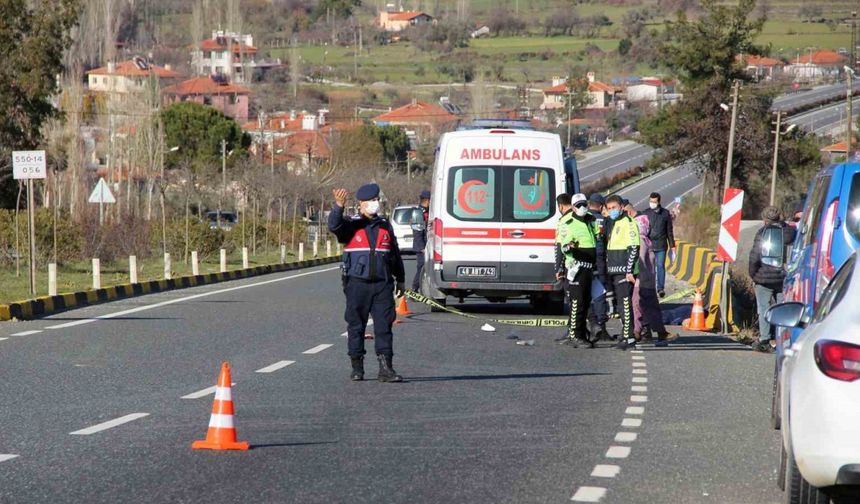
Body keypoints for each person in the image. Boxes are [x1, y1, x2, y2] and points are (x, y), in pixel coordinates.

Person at [328, 183, 406, 382]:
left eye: (377, 200)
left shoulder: (385, 225)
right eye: (371, 201)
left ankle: (386, 368)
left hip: (383, 285)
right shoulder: (352, 225)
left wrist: (401, 280)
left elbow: (394, 254)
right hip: (357, 284)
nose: (375, 203)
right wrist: (338, 206)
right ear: (361, 204)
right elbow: (334, 226)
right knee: (356, 326)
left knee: (384, 327)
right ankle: (357, 366)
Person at [749, 206, 796, 353]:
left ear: (765, 220)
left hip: (764, 278)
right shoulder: (790, 232)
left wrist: (754, 274)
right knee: (782, 309)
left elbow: (755, 257)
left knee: (764, 308)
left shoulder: (763, 233)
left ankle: (764, 339)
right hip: (784, 277)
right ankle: (782, 339)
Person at [554, 193, 599, 348]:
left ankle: (581, 333)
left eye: (584, 204)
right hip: (576, 267)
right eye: (579, 205)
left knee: (585, 303)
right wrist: (570, 247)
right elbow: (563, 246)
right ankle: (574, 335)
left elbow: (597, 238)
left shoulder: (591, 220)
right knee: (577, 303)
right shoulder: (568, 222)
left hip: (589, 267)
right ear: (573, 207)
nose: (582, 208)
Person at [633, 215, 677, 347]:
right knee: (640, 307)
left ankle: (653, 332)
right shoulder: (641, 242)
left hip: (647, 281)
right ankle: (637, 332)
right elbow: (640, 262)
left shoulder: (646, 241)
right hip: (642, 281)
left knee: (646, 307)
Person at [605, 194, 641, 350]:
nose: (612, 210)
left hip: (624, 271)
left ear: (621, 207)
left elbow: (633, 248)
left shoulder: (629, 223)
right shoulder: (614, 223)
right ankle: (625, 334)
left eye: (614, 207)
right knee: (620, 306)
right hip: (613, 270)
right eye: (609, 208)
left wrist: (629, 271)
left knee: (625, 305)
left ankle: (629, 337)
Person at [586, 193, 612, 339]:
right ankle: (601, 325)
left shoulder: (583, 218)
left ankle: (587, 325)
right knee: (600, 292)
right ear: (601, 206)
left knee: (583, 292)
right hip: (600, 259)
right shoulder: (604, 220)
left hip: (585, 257)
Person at [641, 192, 675, 299]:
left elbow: (669, 231)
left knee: (660, 266)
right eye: (651, 201)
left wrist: (672, 245)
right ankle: (649, 288)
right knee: (650, 267)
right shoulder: (646, 213)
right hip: (649, 245)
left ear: (659, 202)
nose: (652, 203)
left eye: (654, 202)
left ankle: (660, 288)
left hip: (661, 245)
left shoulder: (665, 214)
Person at [411, 190, 431, 292]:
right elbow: (417, 233)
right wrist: (422, 247)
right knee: (422, 266)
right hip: (421, 246)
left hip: (429, 243)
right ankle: (415, 288)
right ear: (427, 200)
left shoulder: (429, 211)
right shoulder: (418, 212)